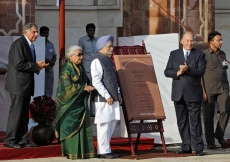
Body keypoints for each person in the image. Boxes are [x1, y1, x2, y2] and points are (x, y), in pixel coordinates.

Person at [4, 23, 48, 148]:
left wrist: (37, 67)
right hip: (18, 85)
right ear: (26, 32)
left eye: (37, 32)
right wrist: (36, 66)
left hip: (26, 85)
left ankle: (23, 139)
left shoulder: (30, 45)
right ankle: (10, 140)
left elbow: (27, 64)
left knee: (24, 113)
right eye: (34, 32)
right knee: (16, 113)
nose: (36, 34)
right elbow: (18, 64)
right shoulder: (19, 44)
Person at [164, 32, 206, 156]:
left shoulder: (199, 54)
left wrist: (188, 70)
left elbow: (201, 71)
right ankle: (186, 145)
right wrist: (178, 72)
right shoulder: (174, 54)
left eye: (191, 41)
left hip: (193, 93)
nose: (189, 43)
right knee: (182, 121)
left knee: (195, 121)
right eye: (187, 41)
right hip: (178, 93)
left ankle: (198, 148)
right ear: (182, 41)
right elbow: (167, 71)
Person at [55, 45, 95, 159]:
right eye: (79, 55)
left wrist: (89, 86)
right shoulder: (66, 69)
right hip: (68, 105)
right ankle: (71, 152)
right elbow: (66, 87)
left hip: (80, 103)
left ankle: (83, 152)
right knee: (70, 127)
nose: (81, 57)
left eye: (82, 55)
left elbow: (86, 81)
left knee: (82, 129)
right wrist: (83, 88)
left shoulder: (80, 68)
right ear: (71, 56)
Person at [91, 35, 121, 159]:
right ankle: (102, 151)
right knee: (104, 125)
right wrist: (107, 96)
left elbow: (114, 80)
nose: (111, 48)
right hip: (104, 100)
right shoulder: (97, 61)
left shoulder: (109, 60)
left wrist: (118, 95)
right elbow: (96, 81)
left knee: (112, 123)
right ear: (102, 47)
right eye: (109, 46)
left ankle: (107, 148)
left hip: (113, 98)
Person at [201, 31, 230, 149]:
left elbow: (224, 71)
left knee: (227, 109)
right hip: (209, 89)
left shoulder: (222, 53)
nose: (221, 42)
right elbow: (200, 75)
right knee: (208, 116)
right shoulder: (204, 55)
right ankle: (210, 141)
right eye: (219, 40)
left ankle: (219, 134)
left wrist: (227, 88)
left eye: (221, 40)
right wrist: (203, 91)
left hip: (223, 88)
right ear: (211, 42)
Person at [78, 23, 98, 116]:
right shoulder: (82, 40)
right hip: (87, 69)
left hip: (96, 69)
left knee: (95, 90)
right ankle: (85, 110)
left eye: (93, 30)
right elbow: (79, 54)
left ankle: (93, 111)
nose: (91, 32)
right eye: (90, 30)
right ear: (86, 31)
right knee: (86, 90)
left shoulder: (97, 40)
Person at [40, 26, 57, 98]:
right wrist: (47, 62)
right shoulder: (38, 43)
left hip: (50, 68)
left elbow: (54, 55)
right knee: (41, 87)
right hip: (41, 68)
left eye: (47, 33)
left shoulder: (50, 44)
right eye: (44, 33)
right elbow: (38, 56)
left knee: (49, 87)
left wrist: (52, 62)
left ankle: (48, 103)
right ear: (40, 33)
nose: (46, 34)